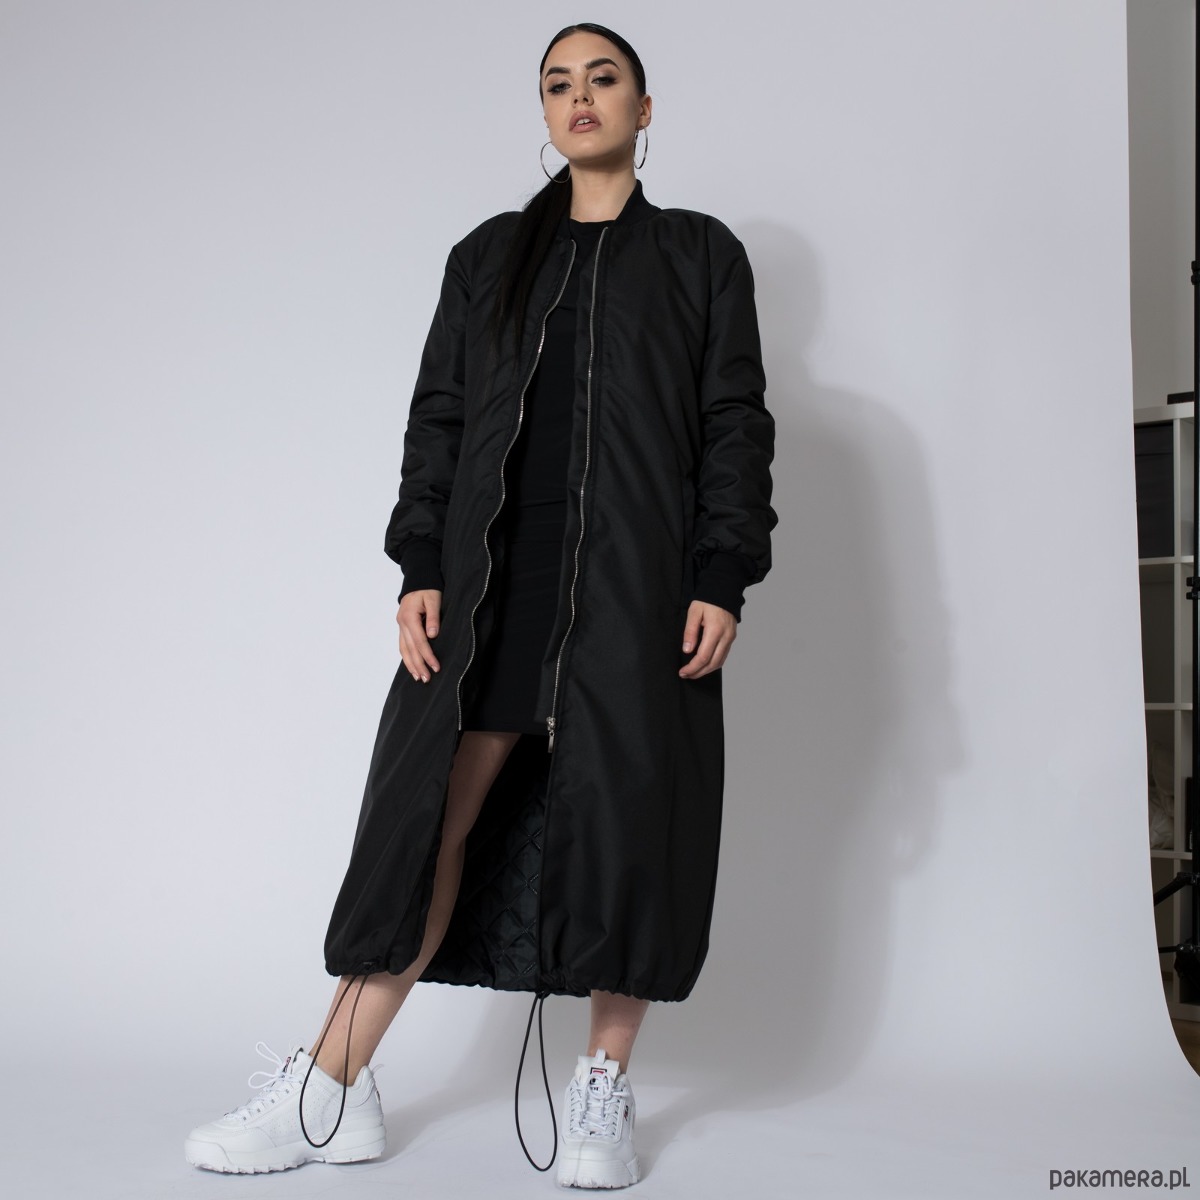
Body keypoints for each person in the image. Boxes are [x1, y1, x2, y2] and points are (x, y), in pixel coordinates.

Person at [184, 20, 776, 1190]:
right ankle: (331, 1086)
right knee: (426, 819)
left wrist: (722, 573)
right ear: (544, 114)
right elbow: (440, 418)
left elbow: (734, 425)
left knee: (627, 822)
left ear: (644, 107)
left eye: (603, 78)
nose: (580, 96)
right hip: (499, 579)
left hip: (639, 585)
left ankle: (601, 1092)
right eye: (558, 83)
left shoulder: (702, 255)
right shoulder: (490, 256)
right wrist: (421, 561)